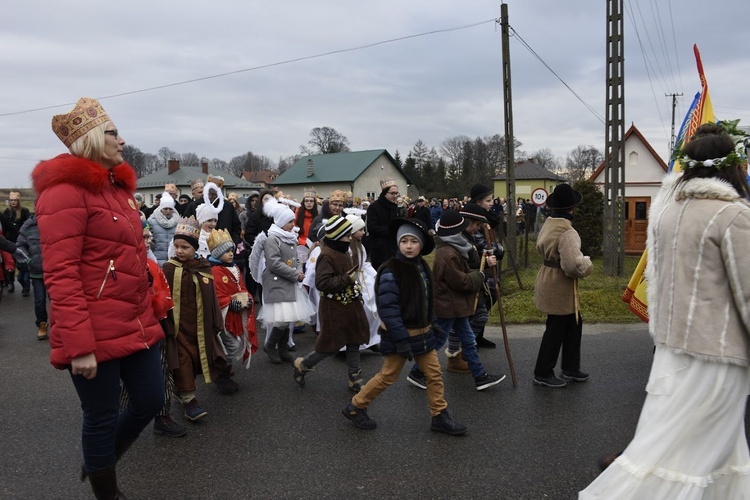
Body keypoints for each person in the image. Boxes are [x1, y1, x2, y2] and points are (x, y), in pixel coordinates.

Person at [580, 123, 750, 498]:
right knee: (689, 457)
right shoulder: (734, 216)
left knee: (701, 449)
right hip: (717, 354)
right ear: (732, 167)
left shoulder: (668, 212)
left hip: (672, 346)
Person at [32, 97, 164, 498]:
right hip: (90, 330)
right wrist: (78, 346)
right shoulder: (63, 193)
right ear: (91, 139)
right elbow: (61, 274)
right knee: (102, 416)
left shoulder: (117, 190)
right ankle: (107, 489)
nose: (122, 141)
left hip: (134, 320)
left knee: (150, 400)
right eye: (112, 133)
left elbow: (130, 258)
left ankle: (97, 462)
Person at [342, 217, 467, 435]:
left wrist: (434, 323)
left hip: (424, 333)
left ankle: (439, 415)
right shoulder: (391, 270)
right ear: (398, 244)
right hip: (400, 336)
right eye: (404, 241)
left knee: (434, 374)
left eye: (414, 241)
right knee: (388, 376)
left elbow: (428, 298)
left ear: (421, 244)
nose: (409, 246)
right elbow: (389, 310)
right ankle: (356, 406)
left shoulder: (421, 266)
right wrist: (400, 340)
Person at [407, 210, 505, 392]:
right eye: (460, 230)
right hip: (447, 306)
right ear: (454, 232)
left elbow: (465, 272)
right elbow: (462, 282)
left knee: (468, 341)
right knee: (436, 342)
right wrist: (481, 276)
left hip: (456, 305)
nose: (463, 233)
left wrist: (482, 265)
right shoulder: (448, 254)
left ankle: (480, 377)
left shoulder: (454, 249)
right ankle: (417, 372)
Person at [162, 216, 237, 424]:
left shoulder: (203, 267)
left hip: (199, 327)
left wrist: (216, 323)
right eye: (176, 246)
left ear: (194, 248)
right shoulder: (169, 268)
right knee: (182, 360)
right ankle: (189, 400)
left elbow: (211, 297)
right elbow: (161, 297)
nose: (179, 251)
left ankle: (181, 390)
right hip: (176, 329)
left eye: (184, 247)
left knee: (196, 360)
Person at [292, 215, 369, 391]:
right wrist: (346, 279)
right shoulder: (326, 256)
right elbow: (323, 283)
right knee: (330, 345)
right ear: (336, 237)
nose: (350, 238)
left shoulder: (344, 251)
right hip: (334, 308)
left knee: (354, 340)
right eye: (346, 236)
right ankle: (303, 364)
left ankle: (355, 377)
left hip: (350, 305)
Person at [532, 183, 592, 388]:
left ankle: (570, 368)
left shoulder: (549, 222)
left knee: (573, 324)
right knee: (556, 329)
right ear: (572, 208)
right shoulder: (567, 231)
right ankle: (543, 372)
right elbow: (573, 266)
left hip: (548, 277)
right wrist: (587, 263)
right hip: (560, 283)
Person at [256, 203, 315, 363]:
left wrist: (298, 269)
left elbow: (295, 258)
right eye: (290, 222)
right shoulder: (272, 239)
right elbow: (274, 263)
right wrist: (294, 273)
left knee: (288, 318)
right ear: (281, 222)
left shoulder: (290, 238)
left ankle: (282, 349)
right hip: (277, 283)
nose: (292, 225)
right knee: (281, 319)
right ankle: (270, 345)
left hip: (289, 282)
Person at [207, 229, 257, 372]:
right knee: (231, 345)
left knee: (234, 344)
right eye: (226, 251)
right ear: (217, 253)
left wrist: (245, 300)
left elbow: (241, 287)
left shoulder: (234, 267)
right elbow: (217, 296)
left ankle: (223, 368)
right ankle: (221, 370)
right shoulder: (215, 271)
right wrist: (230, 302)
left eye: (231, 250)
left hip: (232, 313)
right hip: (222, 317)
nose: (230, 254)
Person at [16, 214, 48, 340]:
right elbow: (19, 245)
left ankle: (60, 327)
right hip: (36, 272)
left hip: (54, 270)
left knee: (57, 301)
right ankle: (42, 325)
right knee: (40, 300)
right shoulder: (28, 226)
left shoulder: (55, 221)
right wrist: (29, 260)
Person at [366, 177, 401, 269]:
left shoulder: (395, 208)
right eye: (392, 193)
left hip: (394, 249)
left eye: (396, 193)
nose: (395, 196)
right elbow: (371, 227)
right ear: (385, 193)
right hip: (380, 251)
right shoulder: (374, 207)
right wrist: (390, 230)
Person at [2, 191, 31, 295]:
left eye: (15, 200)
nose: (13, 202)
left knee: (22, 261)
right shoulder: (7, 212)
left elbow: (27, 224)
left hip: (21, 240)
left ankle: (25, 286)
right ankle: (11, 283)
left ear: (18, 201)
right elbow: (4, 227)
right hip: (9, 240)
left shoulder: (24, 211)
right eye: (11, 200)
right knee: (10, 263)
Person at [147, 191, 179, 266]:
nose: (168, 211)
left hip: (173, 260)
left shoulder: (178, 222)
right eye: (165, 209)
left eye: (170, 209)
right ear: (161, 208)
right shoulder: (151, 221)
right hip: (156, 260)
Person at [295, 187, 319, 265]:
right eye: (306, 201)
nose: (309, 203)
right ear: (303, 202)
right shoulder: (298, 214)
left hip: (314, 245)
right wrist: (303, 242)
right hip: (300, 244)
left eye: (311, 201)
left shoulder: (317, 216)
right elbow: (293, 230)